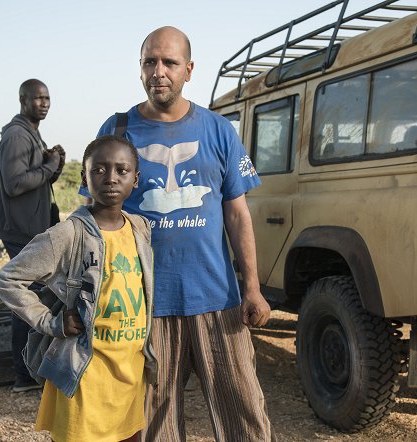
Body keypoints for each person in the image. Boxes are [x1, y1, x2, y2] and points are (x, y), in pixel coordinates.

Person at [83, 26, 274, 441]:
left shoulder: (218, 130)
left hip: (217, 299)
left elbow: (238, 214)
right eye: (150, 61)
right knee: (155, 422)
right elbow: (92, 216)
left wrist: (253, 288)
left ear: (188, 69)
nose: (159, 71)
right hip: (146, 305)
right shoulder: (117, 131)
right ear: (139, 69)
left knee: (243, 412)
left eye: (169, 62)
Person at [0, 135, 157, 442]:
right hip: (85, 377)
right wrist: (50, 322)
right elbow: (8, 279)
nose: (110, 177)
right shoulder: (67, 234)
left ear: (135, 179)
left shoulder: (140, 229)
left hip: (129, 376)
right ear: (85, 177)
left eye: (121, 170)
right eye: (99, 170)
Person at [0, 78, 66, 392]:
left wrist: (53, 162)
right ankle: (25, 375)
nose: (44, 103)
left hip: (30, 227)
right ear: (23, 99)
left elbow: (36, 180)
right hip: (20, 230)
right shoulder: (16, 135)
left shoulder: (30, 134)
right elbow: (14, 184)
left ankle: (31, 369)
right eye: (38, 98)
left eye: (47, 98)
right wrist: (49, 166)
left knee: (37, 295)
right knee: (28, 297)